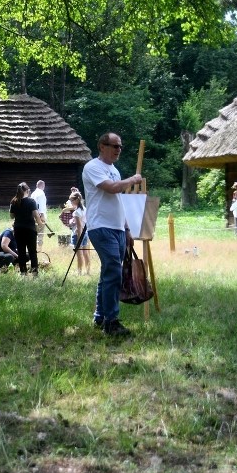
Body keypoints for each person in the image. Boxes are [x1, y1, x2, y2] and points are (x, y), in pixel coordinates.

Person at [82, 132, 143, 336]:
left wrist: (126, 229)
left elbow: (119, 202)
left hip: (117, 228)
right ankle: (111, 321)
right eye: (114, 146)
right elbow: (110, 189)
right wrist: (133, 180)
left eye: (120, 147)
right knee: (114, 273)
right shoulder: (93, 167)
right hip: (101, 227)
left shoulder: (114, 170)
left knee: (107, 274)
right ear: (101, 146)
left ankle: (100, 317)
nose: (118, 150)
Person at [9, 182, 39, 276]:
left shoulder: (14, 201)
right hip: (30, 230)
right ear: (27, 191)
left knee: (21, 251)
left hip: (18, 229)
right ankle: (34, 272)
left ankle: (23, 273)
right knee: (32, 252)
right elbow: (36, 216)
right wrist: (41, 222)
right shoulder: (31, 201)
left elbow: (11, 216)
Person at [69, 190, 90, 275]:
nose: (71, 203)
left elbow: (79, 226)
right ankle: (88, 271)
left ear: (76, 200)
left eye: (71, 201)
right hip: (85, 233)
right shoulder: (84, 209)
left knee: (79, 254)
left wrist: (78, 239)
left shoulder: (76, 212)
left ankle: (79, 272)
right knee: (85, 253)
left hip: (78, 234)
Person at [31, 180, 48, 248]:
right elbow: (40, 205)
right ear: (43, 186)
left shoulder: (33, 193)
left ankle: (34, 248)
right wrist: (42, 216)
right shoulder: (41, 193)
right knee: (40, 233)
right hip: (39, 216)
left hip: (33, 215)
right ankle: (40, 249)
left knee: (34, 233)